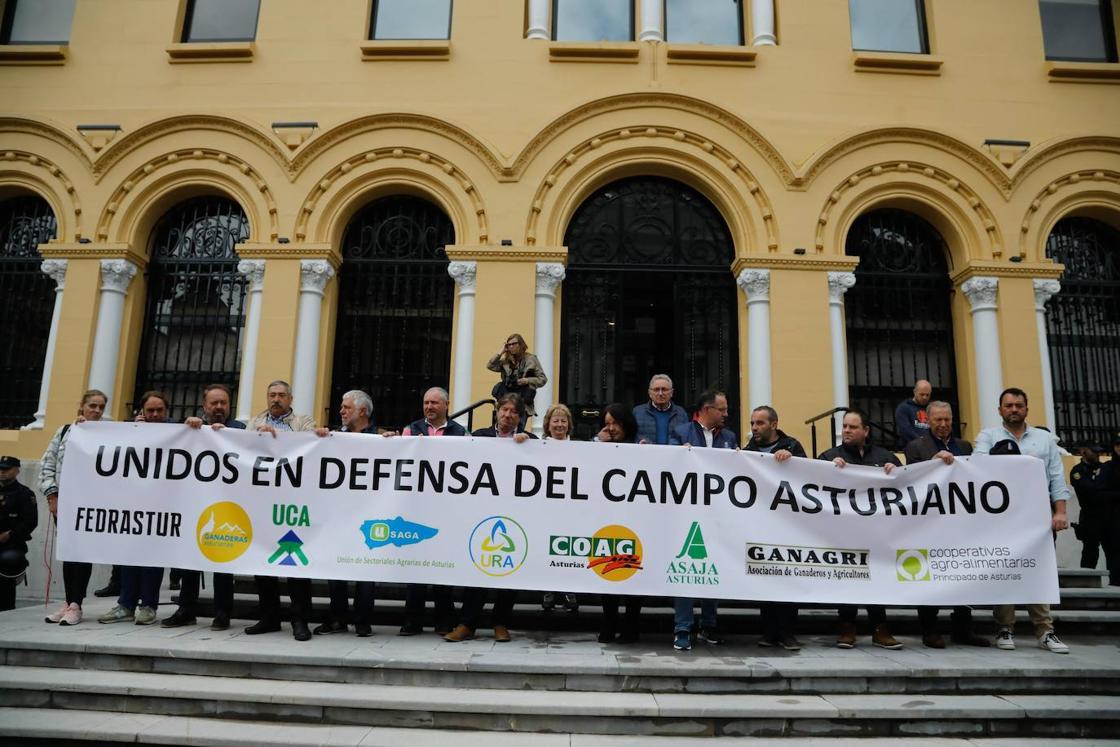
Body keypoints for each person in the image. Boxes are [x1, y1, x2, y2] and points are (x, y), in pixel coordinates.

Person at [975, 387, 1070, 654]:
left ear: (1026, 409)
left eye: (1019, 405)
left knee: (1039, 571)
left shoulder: (1044, 439)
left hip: (1038, 518)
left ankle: (1045, 630)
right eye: (1009, 405)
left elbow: (1056, 477)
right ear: (1000, 410)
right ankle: (1005, 628)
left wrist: (1060, 512)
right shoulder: (987, 437)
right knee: (1004, 570)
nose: (1014, 409)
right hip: (1001, 518)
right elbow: (978, 468)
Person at [444, 394, 537, 643]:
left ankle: (500, 622)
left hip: (516, 516)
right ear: (497, 412)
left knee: (510, 572)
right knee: (477, 570)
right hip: (482, 514)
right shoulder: (480, 436)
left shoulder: (531, 441)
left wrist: (527, 443)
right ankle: (467, 624)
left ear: (520, 417)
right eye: (504, 410)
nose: (507, 415)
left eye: (513, 412)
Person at [902, 401, 989, 648]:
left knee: (963, 573)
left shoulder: (964, 446)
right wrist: (933, 460)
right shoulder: (915, 446)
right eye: (938, 420)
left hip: (959, 521)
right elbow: (912, 476)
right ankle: (929, 629)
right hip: (929, 523)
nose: (943, 425)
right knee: (930, 577)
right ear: (928, 420)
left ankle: (963, 627)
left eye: (947, 420)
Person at [818, 408, 903, 650]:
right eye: (844, 426)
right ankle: (847, 627)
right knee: (848, 578)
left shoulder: (884, 456)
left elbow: (905, 485)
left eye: (852, 427)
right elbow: (815, 486)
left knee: (876, 578)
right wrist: (828, 470)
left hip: (876, 533)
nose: (846, 430)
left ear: (865, 430)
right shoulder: (829, 456)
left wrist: (893, 472)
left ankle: (880, 628)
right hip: (844, 533)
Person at [161, 384, 243, 631]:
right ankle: (186, 609)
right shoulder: (191, 428)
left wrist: (226, 434)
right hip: (194, 504)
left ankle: (222, 613)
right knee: (188, 560)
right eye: (214, 403)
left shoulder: (239, 429)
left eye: (223, 403)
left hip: (227, 506)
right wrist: (192, 428)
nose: (219, 407)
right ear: (204, 405)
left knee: (223, 562)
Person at [246, 380, 317, 641]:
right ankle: (269, 617)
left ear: (290, 398)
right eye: (272, 395)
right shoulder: (253, 423)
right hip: (262, 502)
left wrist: (279, 438)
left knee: (295, 564)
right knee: (263, 562)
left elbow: (310, 445)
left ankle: (300, 620)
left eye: (281, 395)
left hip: (292, 502)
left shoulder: (303, 422)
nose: (276, 399)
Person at [667, 390, 734, 651]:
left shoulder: (728, 437)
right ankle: (682, 628)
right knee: (685, 570)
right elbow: (669, 461)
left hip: (717, 514)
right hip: (686, 513)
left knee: (712, 569)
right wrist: (679, 453)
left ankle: (709, 625)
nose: (726, 414)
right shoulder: (682, 432)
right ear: (707, 409)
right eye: (722, 409)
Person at [98, 391, 172, 625]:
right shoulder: (129, 431)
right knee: (128, 554)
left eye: (159, 410)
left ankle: (148, 606)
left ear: (166, 412)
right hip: (131, 503)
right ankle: (126, 604)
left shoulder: (176, 432)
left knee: (153, 557)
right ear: (141, 411)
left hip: (161, 505)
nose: (155, 415)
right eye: (150, 410)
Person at [397, 386, 465, 636]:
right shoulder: (410, 429)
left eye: (434, 403)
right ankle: (412, 621)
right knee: (415, 565)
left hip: (446, 508)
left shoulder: (460, 432)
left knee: (442, 565)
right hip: (416, 507)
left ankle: (444, 620)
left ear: (446, 405)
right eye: (426, 403)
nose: (429, 407)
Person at [312, 390, 378, 637]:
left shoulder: (381, 438)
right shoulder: (334, 437)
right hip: (339, 513)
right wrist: (318, 438)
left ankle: (362, 619)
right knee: (335, 565)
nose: (341, 411)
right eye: (341, 407)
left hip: (369, 512)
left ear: (362, 411)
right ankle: (338, 616)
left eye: (346, 407)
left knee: (366, 567)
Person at [41, 389, 108, 626]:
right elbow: (47, 464)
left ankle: (76, 604)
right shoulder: (65, 431)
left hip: (91, 504)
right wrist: (52, 495)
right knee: (69, 553)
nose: (97, 411)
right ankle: (69, 602)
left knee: (83, 553)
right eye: (92, 406)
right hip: (65, 503)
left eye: (101, 407)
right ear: (82, 406)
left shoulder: (107, 434)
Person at [744, 405, 807, 651]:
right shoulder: (749, 450)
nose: (754, 428)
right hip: (761, 524)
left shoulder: (792, 445)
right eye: (752, 423)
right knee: (765, 578)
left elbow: (808, 474)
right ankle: (770, 632)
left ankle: (788, 633)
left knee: (788, 578)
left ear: (774, 424)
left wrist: (792, 462)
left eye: (759, 423)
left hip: (788, 524)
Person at [594, 403, 643, 644]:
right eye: (607, 422)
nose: (611, 428)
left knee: (635, 575)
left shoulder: (639, 446)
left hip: (636, 521)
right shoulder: (599, 445)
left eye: (616, 423)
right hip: (607, 519)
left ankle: (632, 627)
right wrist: (597, 443)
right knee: (608, 571)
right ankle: (608, 624)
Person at [540, 403, 578, 614]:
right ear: (548, 424)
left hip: (571, 509)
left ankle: (570, 591)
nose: (560, 425)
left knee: (568, 549)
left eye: (563, 421)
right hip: (547, 509)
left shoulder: (580, 447)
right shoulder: (538, 446)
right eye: (555, 420)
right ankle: (548, 591)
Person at [0, 456, 37, 612]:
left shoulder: (24, 494)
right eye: (0, 469)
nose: (2, 472)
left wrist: (10, 535)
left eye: (7, 469)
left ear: (17, 470)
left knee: (9, 560)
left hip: (11, 544)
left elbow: (30, 522)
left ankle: (7, 608)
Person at [487, 333, 547, 425]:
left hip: (522, 402)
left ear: (520, 344)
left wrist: (527, 380)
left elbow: (542, 379)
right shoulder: (505, 361)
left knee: (517, 431)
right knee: (501, 431)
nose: (511, 346)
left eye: (514, 344)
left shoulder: (530, 359)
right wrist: (501, 352)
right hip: (506, 401)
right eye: (509, 345)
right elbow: (490, 366)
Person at [1070, 443, 1106, 571]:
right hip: (1090, 515)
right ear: (1083, 451)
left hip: (1108, 514)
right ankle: (1086, 579)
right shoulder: (1077, 471)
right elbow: (1087, 490)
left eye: (1099, 452)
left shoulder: (1105, 468)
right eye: (1094, 451)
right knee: (1090, 550)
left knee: (1113, 548)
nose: (1098, 455)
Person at [633, 374, 689, 445]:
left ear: (671, 392)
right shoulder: (637, 412)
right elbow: (631, 437)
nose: (660, 393)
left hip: (673, 455)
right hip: (647, 454)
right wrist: (638, 442)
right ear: (649, 393)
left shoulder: (681, 413)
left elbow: (686, 438)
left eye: (664, 389)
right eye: (656, 389)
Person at [894, 379, 933, 448]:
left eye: (927, 395)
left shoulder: (932, 408)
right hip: (912, 447)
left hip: (931, 447)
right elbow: (906, 430)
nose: (925, 397)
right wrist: (923, 442)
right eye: (922, 394)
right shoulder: (904, 408)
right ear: (915, 392)